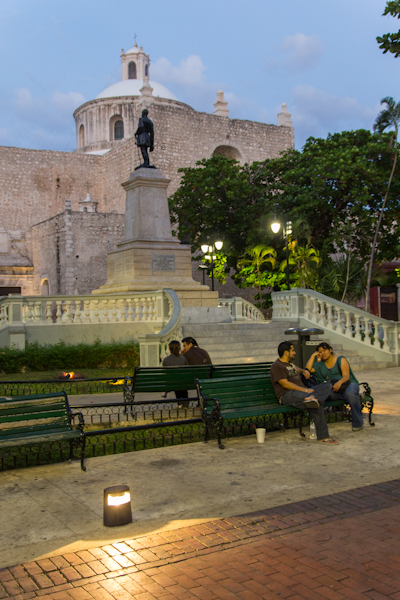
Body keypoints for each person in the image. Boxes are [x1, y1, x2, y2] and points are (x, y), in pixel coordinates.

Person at [270, 341, 338, 444]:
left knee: (327, 385)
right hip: (287, 395)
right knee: (315, 404)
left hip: (303, 394)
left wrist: (304, 371)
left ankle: (312, 398)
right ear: (286, 353)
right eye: (293, 350)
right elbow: (285, 384)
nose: (295, 352)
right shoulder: (277, 366)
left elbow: (297, 369)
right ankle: (324, 436)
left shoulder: (290, 364)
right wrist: (305, 390)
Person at [305, 342, 364, 432]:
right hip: (335, 389)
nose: (323, 353)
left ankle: (358, 422)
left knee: (350, 394)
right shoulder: (320, 364)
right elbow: (308, 369)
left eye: (324, 350)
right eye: (320, 352)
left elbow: (346, 376)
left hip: (348, 384)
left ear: (330, 350)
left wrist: (339, 383)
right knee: (327, 394)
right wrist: (313, 355)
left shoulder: (340, 360)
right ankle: (356, 397)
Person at [162, 340, 188, 406]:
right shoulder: (184, 359)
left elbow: (164, 373)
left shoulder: (166, 360)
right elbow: (187, 371)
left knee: (175, 380)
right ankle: (185, 401)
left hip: (172, 382)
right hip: (183, 382)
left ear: (169, 349)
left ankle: (179, 401)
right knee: (181, 380)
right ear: (179, 348)